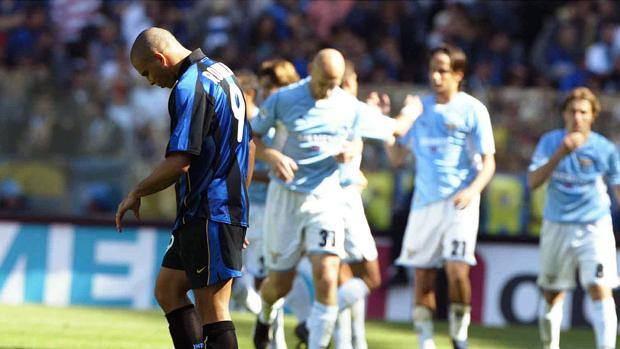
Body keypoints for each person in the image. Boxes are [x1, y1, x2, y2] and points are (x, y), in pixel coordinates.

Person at [115, 27, 254, 349]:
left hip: (210, 210)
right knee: (168, 290)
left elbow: (180, 161)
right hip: (212, 209)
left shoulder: (190, 85)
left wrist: (137, 191)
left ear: (160, 58)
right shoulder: (222, 73)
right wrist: (240, 204)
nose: (150, 81)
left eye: (147, 72)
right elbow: (250, 145)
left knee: (214, 311)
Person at [250, 48, 366, 349]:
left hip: (326, 196)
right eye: (324, 81)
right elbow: (253, 137)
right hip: (286, 197)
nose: (329, 89)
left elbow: (355, 139)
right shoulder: (283, 99)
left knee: (327, 273)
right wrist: (272, 155)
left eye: (335, 83)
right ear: (311, 68)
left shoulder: (348, 105)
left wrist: (351, 151)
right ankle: (265, 315)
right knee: (279, 284)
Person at [390, 44, 496, 349]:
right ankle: (426, 342)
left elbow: (489, 163)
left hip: (460, 202)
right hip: (424, 204)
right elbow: (397, 158)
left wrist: (472, 190)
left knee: (456, 271)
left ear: (458, 75)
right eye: (432, 69)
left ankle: (459, 335)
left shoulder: (473, 109)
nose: (435, 76)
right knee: (422, 277)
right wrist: (391, 126)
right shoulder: (419, 108)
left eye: (443, 71)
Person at [333, 60, 420, 349]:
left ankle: (351, 341)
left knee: (343, 278)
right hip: (344, 203)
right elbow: (396, 129)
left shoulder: (324, 107)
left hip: (323, 202)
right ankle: (317, 318)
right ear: (348, 82)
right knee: (370, 278)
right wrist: (410, 112)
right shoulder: (350, 108)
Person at [528, 87, 619, 349]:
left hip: (595, 226)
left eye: (583, 112)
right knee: (552, 294)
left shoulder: (605, 149)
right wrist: (560, 154)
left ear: (592, 116)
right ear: (564, 115)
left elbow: (617, 188)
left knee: (600, 288)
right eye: (572, 111)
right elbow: (533, 182)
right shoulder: (549, 142)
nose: (577, 117)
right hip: (557, 224)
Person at [234, 60, 302, 349]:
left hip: (276, 209)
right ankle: (276, 337)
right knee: (250, 281)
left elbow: (281, 167)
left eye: (270, 86)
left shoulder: (288, 123)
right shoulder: (262, 120)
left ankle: (279, 339)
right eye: (262, 86)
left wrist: (258, 170)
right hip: (252, 208)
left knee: (267, 280)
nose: (265, 92)